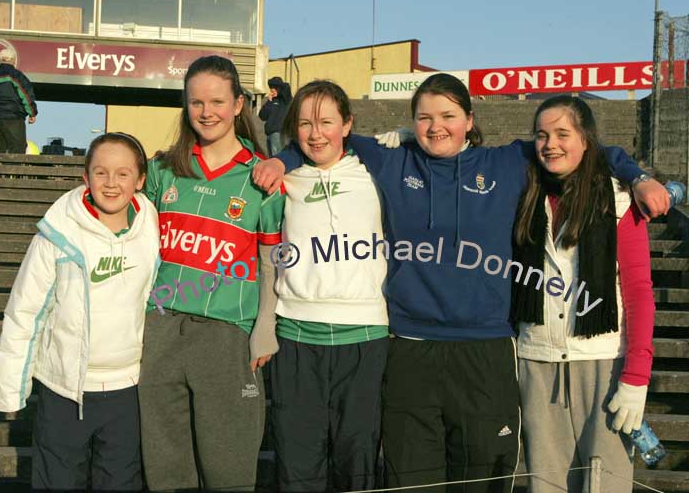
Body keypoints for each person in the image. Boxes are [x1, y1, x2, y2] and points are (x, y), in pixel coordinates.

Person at [253, 73, 668, 492]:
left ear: (469, 119)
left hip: (484, 347)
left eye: (448, 115)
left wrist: (637, 176)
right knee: (412, 479)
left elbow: (585, 147)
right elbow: (317, 142)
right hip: (410, 346)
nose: (436, 127)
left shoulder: (505, 163)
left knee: (482, 479)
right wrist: (278, 161)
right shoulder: (391, 159)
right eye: (424, 117)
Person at [138, 55, 285, 492]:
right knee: (166, 472)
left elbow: (271, 260)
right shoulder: (162, 171)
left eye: (217, 101)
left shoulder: (261, 177)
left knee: (229, 472)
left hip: (228, 335)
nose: (207, 112)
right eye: (197, 102)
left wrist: (265, 324)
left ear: (239, 104)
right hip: (160, 330)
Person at [0, 132, 158, 491]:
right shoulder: (56, 234)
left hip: (127, 390)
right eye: (101, 172)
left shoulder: (152, 228)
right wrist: (10, 390)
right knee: (58, 481)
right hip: (64, 390)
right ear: (85, 176)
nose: (111, 183)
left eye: (123, 174)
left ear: (141, 180)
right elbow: (24, 313)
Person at [511, 96, 655, 492]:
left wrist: (637, 376)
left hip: (603, 362)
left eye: (562, 134)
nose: (550, 144)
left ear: (586, 140)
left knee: (604, 482)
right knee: (546, 483)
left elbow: (640, 291)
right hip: (537, 359)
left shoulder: (621, 199)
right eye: (542, 135)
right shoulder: (523, 193)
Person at [268, 80, 389, 491]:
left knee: (356, 465)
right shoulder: (284, 177)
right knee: (298, 465)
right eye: (304, 124)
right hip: (298, 337)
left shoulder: (375, 172)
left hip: (364, 336)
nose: (315, 133)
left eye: (325, 122)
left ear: (347, 124)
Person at [0, 48, 37, 153]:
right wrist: (32, 113)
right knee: (17, 150)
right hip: (13, 118)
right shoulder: (17, 76)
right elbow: (26, 95)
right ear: (13, 60)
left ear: (0, 60)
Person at [260, 76, 292, 155]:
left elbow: (286, 88)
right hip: (269, 134)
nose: (272, 90)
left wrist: (279, 89)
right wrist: (269, 102)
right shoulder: (271, 101)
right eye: (270, 87)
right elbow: (262, 116)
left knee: (276, 157)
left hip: (278, 133)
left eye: (274, 87)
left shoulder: (285, 100)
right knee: (271, 158)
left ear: (279, 88)